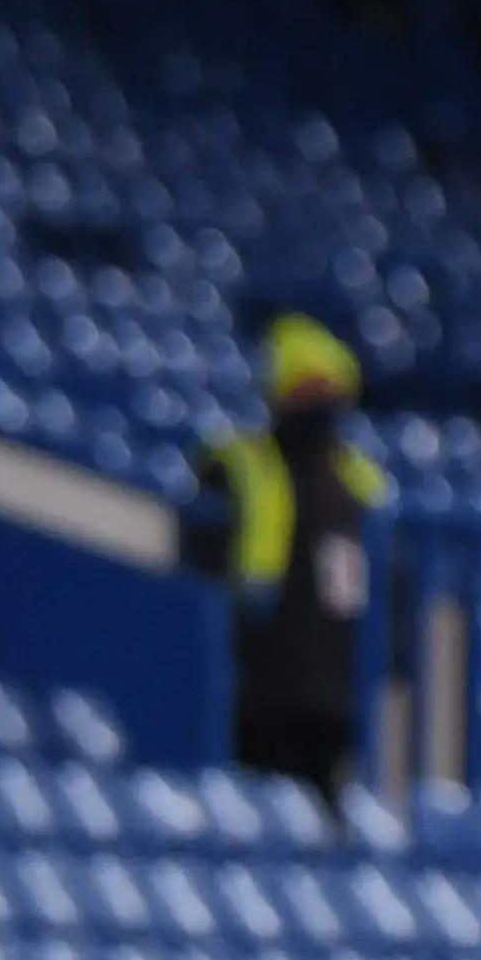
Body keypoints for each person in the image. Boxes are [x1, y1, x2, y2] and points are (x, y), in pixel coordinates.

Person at [187, 311, 388, 798]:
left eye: (325, 387)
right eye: (303, 386)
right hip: (249, 689)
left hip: (333, 698)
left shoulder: (361, 483)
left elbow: (376, 589)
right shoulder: (236, 464)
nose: (316, 398)